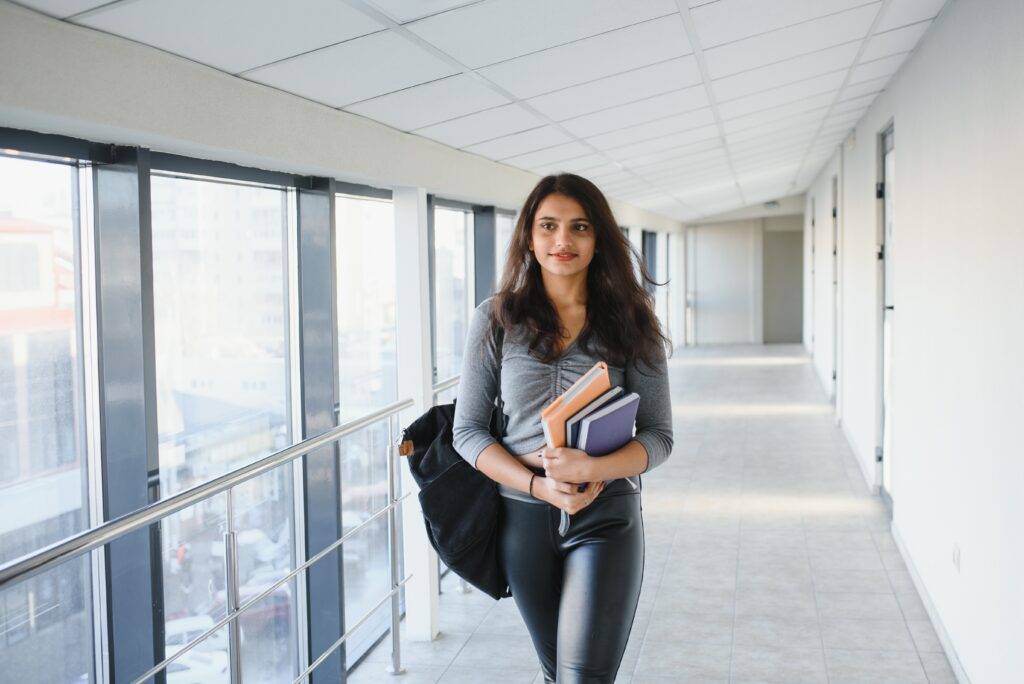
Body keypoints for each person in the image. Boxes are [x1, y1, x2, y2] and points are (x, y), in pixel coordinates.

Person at [452, 173, 674, 683]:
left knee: (583, 678)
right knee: (558, 675)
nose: (562, 241)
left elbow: (659, 435)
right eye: (548, 226)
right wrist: (537, 485)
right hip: (523, 520)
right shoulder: (495, 319)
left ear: (599, 240)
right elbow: (467, 432)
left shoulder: (632, 321)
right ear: (529, 237)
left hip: (606, 513)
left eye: (579, 227)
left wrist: (593, 466)